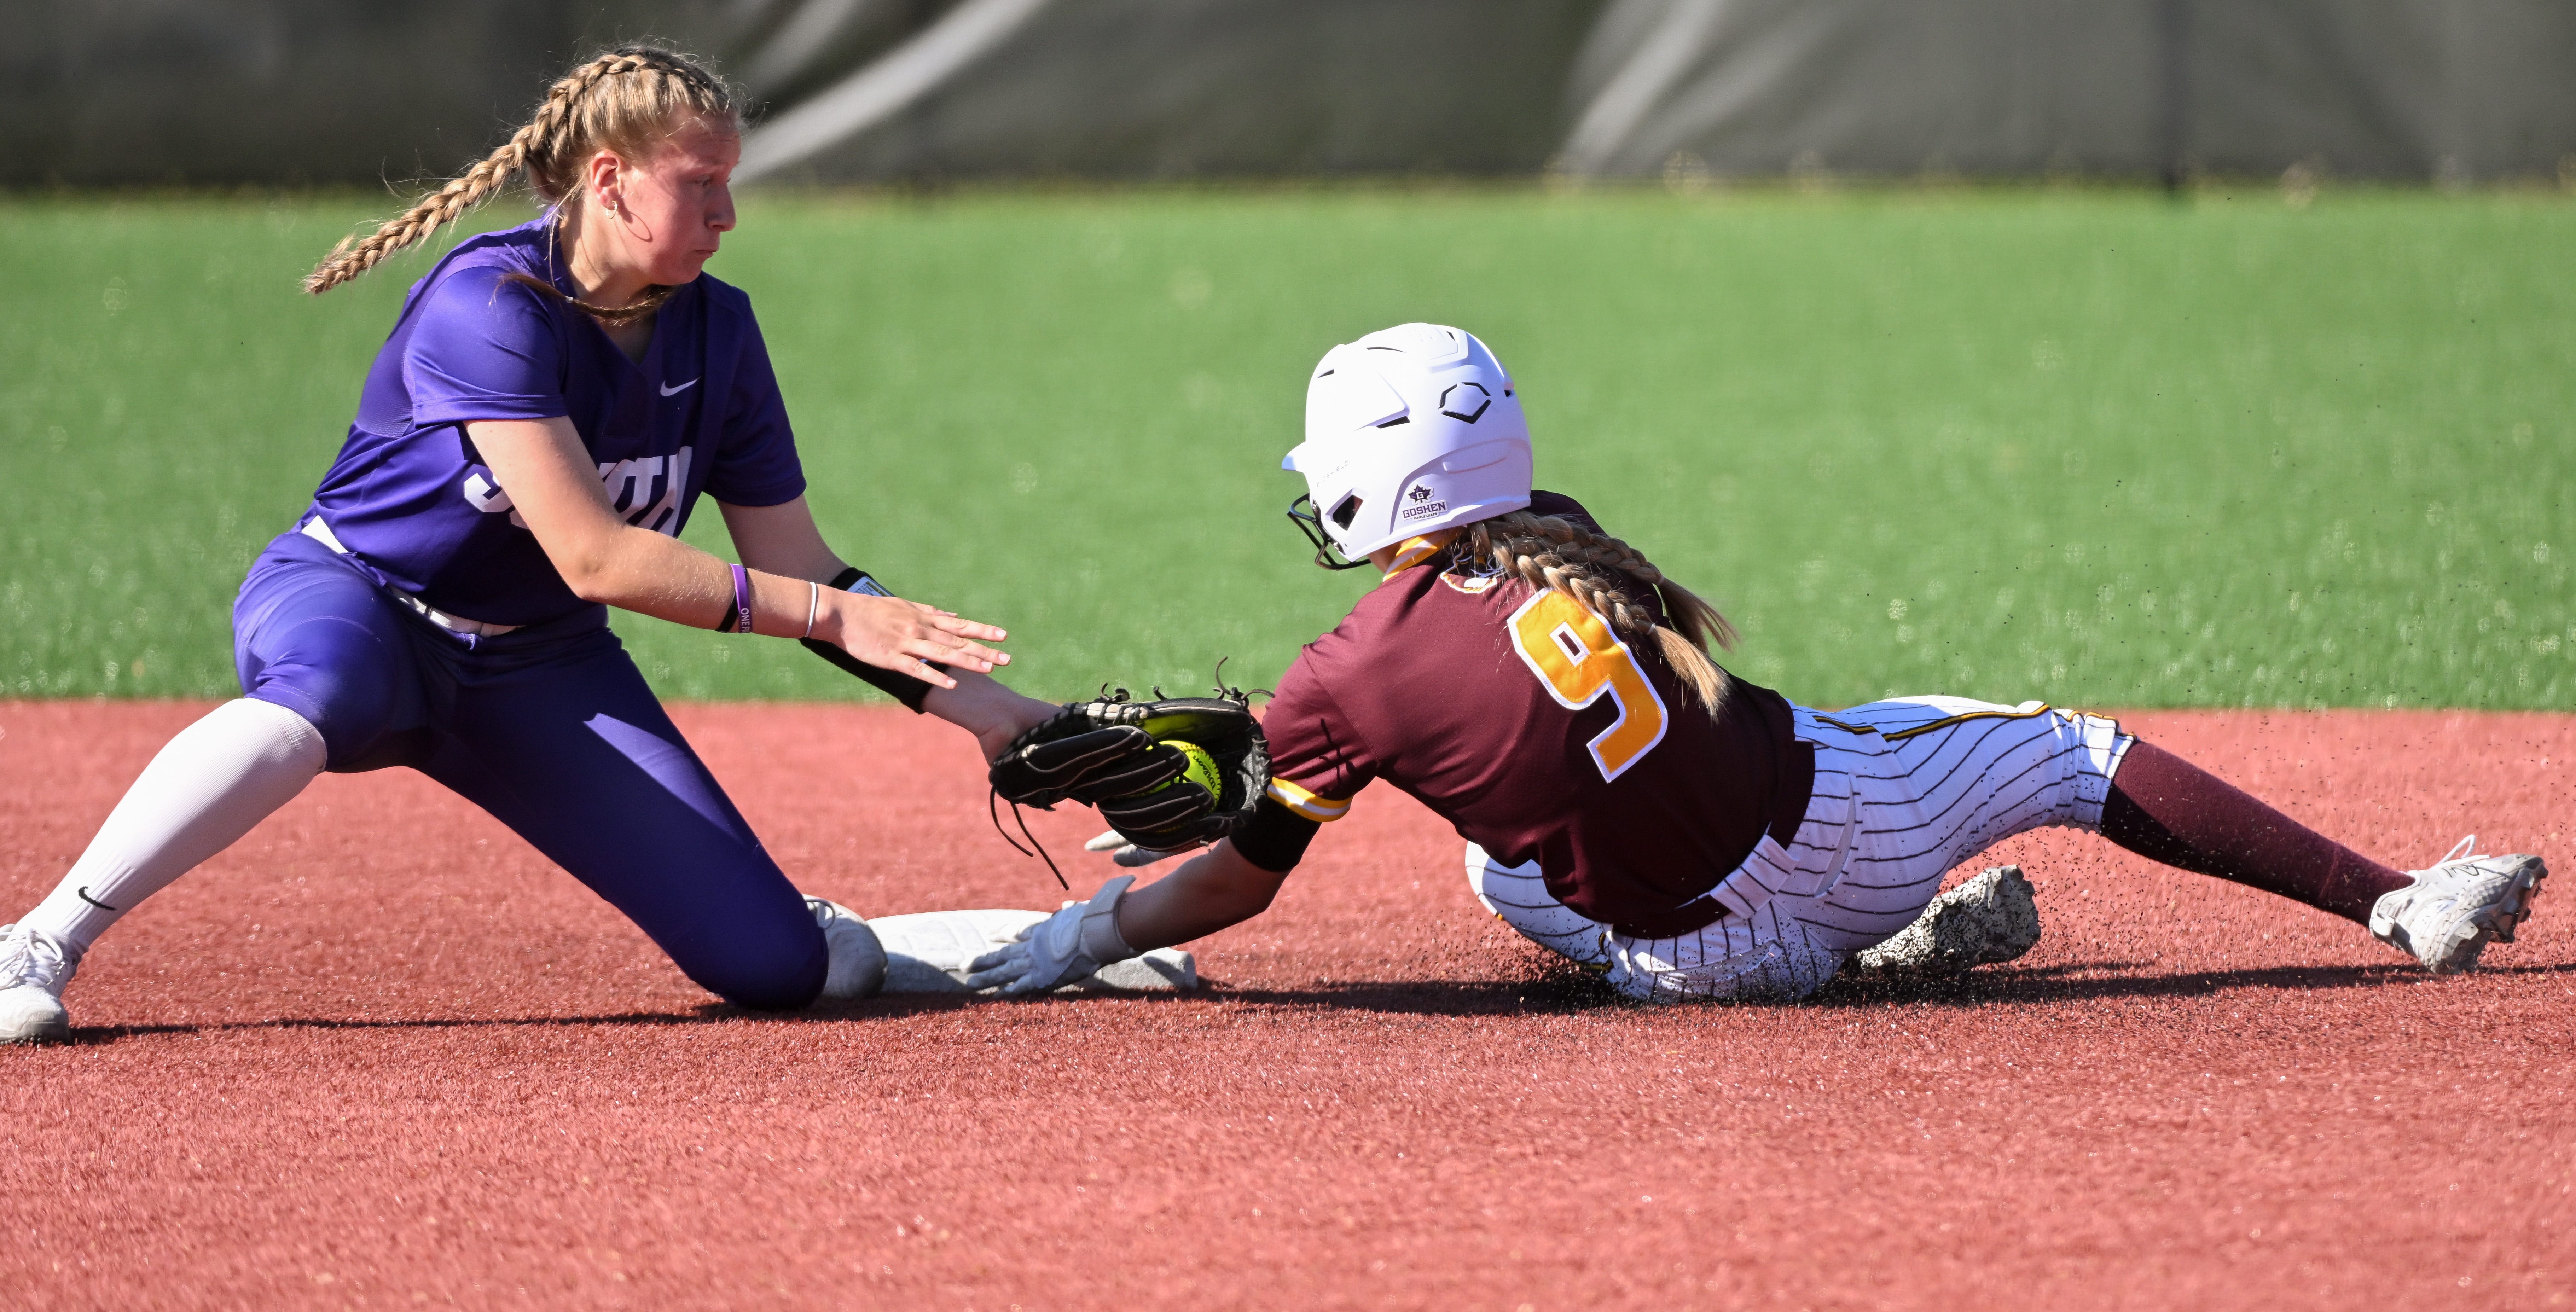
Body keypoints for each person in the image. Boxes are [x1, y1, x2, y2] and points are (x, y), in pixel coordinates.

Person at [963, 322, 2548, 1002]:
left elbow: (1251, 875)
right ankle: (2397, 902)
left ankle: (1874, 966)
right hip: (1858, 836)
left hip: (1690, 968)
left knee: (1494, 873)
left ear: (1384, 477)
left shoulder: (1343, 677)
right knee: (2071, 752)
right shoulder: (1568, 532)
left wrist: (1098, 923)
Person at [0, 47, 1062, 1042]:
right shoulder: (489, 301)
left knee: (785, 969)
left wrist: (990, 714)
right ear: (610, 181)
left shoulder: (719, 332)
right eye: (701, 184)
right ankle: (40, 940)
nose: (727, 214)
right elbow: (597, 560)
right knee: (309, 705)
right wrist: (829, 612)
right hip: (361, 601)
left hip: (539, 663)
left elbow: (803, 569)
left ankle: (780, 908)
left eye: (728, 183)